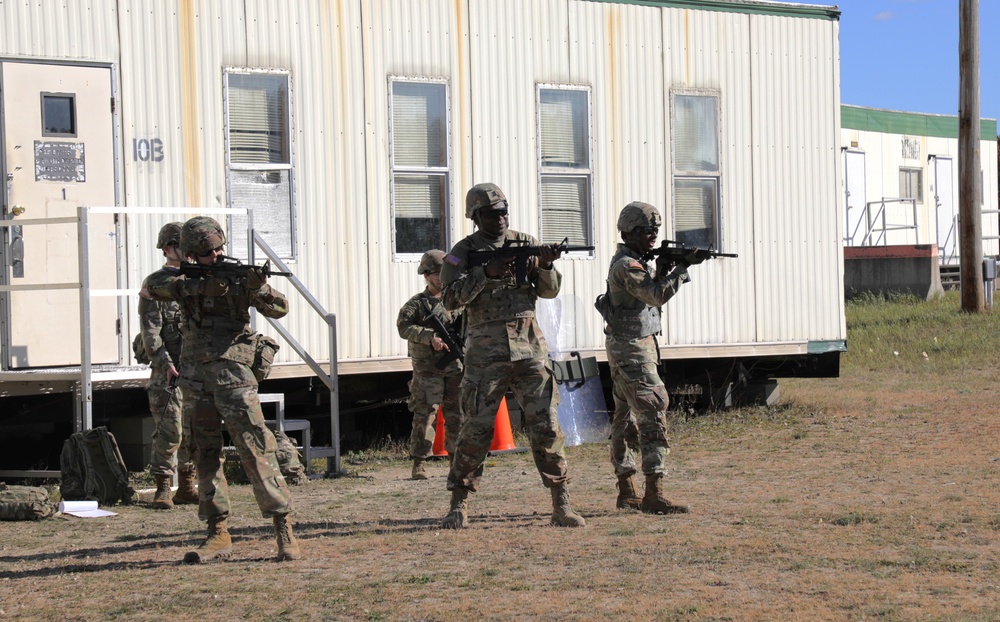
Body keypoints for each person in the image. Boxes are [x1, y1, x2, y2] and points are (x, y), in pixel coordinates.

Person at [147, 216, 301, 563]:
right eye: (206, 253)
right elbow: (151, 287)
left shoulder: (236, 275)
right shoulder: (181, 278)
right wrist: (199, 288)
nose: (215, 257)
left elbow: (280, 308)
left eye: (219, 249)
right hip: (196, 379)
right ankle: (217, 531)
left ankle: (283, 528)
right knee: (204, 453)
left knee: (255, 448)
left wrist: (258, 288)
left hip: (234, 376)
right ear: (189, 254)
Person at [438, 182, 585, 529]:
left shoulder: (526, 244)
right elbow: (448, 300)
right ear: (476, 217)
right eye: (492, 213)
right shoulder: (462, 253)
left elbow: (548, 292)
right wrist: (484, 274)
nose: (501, 218)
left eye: (504, 211)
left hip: (529, 351)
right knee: (475, 430)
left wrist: (546, 265)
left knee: (546, 427)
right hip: (485, 356)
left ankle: (560, 503)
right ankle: (458, 503)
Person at [597, 201, 703, 514]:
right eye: (646, 231)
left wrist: (667, 266)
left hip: (629, 348)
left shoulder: (634, 261)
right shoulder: (628, 265)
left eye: (655, 230)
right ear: (629, 232)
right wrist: (681, 271)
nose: (653, 236)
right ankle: (653, 493)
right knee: (653, 411)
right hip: (632, 351)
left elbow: (649, 290)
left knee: (624, 419)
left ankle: (627, 489)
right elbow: (654, 295)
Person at [138, 222, 198, 509]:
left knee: (194, 428)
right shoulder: (156, 283)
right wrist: (165, 362)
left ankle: (187, 485)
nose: (187, 252)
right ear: (167, 248)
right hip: (168, 369)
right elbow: (150, 330)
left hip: (196, 368)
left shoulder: (198, 279)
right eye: (180, 245)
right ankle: (163, 487)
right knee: (169, 429)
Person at [396, 250, 465, 480]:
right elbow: (404, 327)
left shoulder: (456, 300)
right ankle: (419, 462)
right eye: (437, 273)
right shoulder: (416, 304)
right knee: (425, 415)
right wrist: (429, 337)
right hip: (428, 369)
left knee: (457, 415)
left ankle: (456, 461)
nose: (442, 277)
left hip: (455, 367)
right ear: (426, 275)